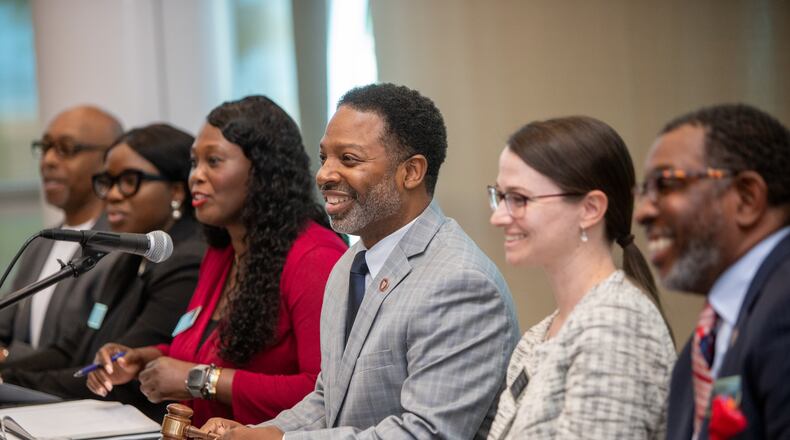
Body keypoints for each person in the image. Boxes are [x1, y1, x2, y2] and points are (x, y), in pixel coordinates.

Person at [203, 83, 520, 439]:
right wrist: (258, 431)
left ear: (411, 172)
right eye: (324, 158)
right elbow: (328, 401)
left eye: (348, 159)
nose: (324, 175)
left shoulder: (460, 284)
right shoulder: (351, 261)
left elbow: (427, 434)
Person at [87, 96, 347, 427]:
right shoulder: (223, 251)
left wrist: (201, 380)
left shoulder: (314, 258)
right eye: (194, 162)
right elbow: (206, 350)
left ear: (263, 170)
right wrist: (144, 358)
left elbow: (324, 393)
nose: (196, 176)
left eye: (213, 161)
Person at [487, 116, 677, 439]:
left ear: (590, 209)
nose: (498, 217)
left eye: (519, 199)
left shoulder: (616, 324)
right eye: (500, 196)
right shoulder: (537, 337)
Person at [0, 123, 204, 420]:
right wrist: (8, 371)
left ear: (175, 190)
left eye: (129, 181)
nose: (112, 195)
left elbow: (117, 375)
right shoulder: (130, 259)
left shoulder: (187, 263)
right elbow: (73, 348)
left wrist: (12, 383)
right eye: (108, 182)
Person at [636, 104, 790, 439]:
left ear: (747, 198)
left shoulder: (783, 307)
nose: (643, 211)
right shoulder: (696, 355)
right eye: (644, 191)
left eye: (666, 184)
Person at [0, 105, 123, 361]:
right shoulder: (40, 241)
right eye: (45, 148)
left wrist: (7, 356)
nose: (48, 160)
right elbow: (5, 324)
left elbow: (79, 352)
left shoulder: (118, 245)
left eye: (66, 149)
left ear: (108, 160)